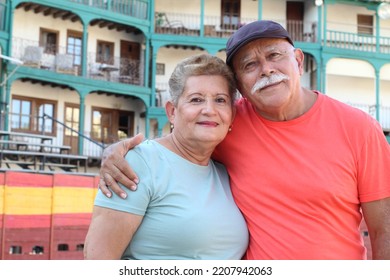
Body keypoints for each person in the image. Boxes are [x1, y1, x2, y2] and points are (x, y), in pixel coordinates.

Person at [98, 20, 390, 260]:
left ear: (298, 60)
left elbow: (384, 230)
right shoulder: (227, 121)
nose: (265, 69)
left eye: (274, 55)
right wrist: (119, 152)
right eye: (249, 65)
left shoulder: (359, 128)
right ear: (240, 84)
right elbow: (180, 140)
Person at [84, 54, 249, 260]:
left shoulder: (225, 172)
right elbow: (98, 259)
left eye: (220, 100)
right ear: (172, 112)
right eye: (196, 99)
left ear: (232, 115)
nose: (209, 110)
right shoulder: (139, 163)